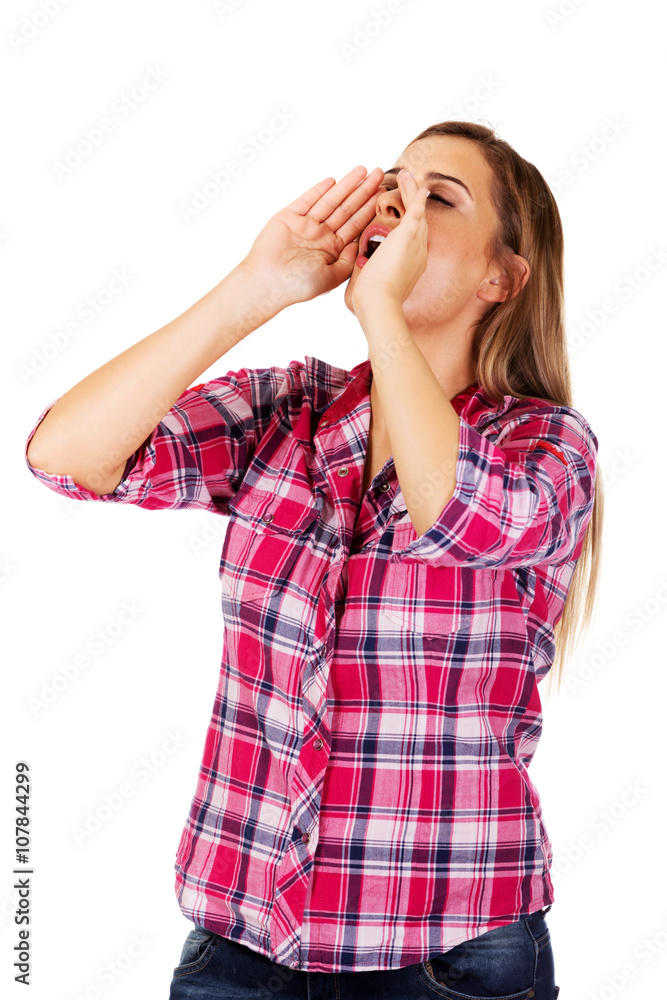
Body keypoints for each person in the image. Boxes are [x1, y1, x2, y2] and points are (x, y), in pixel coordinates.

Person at [24, 120, 601, 999]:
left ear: (502, 277)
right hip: (238, 952)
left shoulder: (545, 447)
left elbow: (452, 513)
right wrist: (259, 286)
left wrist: (379, 311)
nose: (396, 209)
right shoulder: (288, 409)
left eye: (437, 199)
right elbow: (67, 457)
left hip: (448, 961)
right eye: (394, 186)